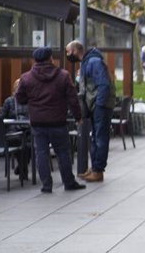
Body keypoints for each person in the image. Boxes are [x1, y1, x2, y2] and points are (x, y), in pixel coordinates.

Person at [15, 47, 85, 193]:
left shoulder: (26, 77)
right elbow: (73, 99)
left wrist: (33, 100)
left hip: (38, 123)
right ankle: (69, 182)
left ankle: (46, 185)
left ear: (35, 60)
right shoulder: (63, 76)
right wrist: (78, 117)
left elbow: (20, 98)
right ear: (50, 59)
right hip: (58, 122)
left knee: (41, 153)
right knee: (63, 153)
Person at [65, 40, 115, 182]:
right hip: (95, 105)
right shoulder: (87, 62)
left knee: (100, 138)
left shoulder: (93, 62)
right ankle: (94, 169)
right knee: (95, 138)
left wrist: (99, 105)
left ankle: (98, 171)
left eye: (68, 52)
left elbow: (103, 84)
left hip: (100, 106)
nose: (68, 55)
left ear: (75, 50)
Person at [1, 78, 30, 177]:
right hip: (13, 131)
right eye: (18, 87)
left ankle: (22, 167)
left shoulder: (29, 101)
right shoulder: (9, 101)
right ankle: (23, 169)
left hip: (27, 129)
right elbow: (1, 117)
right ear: (14, 89)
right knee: (20, 142)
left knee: (30, 142)